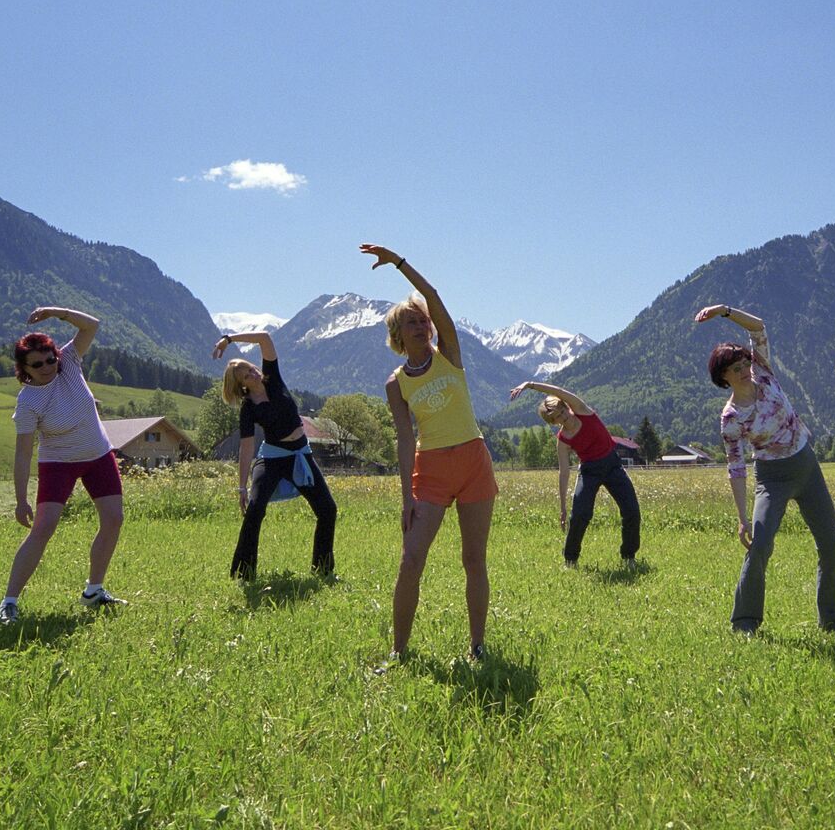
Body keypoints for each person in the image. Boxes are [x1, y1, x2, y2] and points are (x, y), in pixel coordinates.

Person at [361, 244, 497, 664]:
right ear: (398, 335)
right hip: (431, 471)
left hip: (473, 463)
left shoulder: (449, 353)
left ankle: (477, 646)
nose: (422, 325)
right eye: (412, 322)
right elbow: (405, 440)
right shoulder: (396, 384)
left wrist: (399, 263)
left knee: (473, 559)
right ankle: (398, 652)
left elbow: (433, 296)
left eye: (424, 320)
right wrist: (406, 498)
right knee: (410, 560)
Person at [697, 303, 835, 637]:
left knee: (830, 544)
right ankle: (745, 622)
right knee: (761, 545)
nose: (744, 370)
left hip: (807, 466)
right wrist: (742, 518)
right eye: (736, 368)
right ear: (723, 377)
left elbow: (758, 328)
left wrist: (724, 311)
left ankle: (833, 620)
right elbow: (736, 467)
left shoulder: (764, 373)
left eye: (745, 363)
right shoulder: (731, 417)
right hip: (772, 478)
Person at [0, 307, 126, 624]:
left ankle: (94, 591)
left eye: (50, 359)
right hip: (58, 464)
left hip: (98, 456)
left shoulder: (69, 363)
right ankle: (8, 602)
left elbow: (91, 325)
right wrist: (21, 500)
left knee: (113, 519)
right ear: (24, 369)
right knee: (43, 528)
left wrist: (55, 313)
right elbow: (23, 454)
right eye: (37, 364)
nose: (47, 367)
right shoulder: (28, 402)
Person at [215, 331, 337, 581]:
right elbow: (246, 448)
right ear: (242, 386)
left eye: (251, 368)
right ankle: (244, 573)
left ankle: (323, 570)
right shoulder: (249, 408)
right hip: (271, 459)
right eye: (246, 375)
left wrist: (229, 340)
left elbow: (265, 339)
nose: (253, 373)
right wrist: (242, 487)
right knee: (255, 510)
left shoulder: (274, 379)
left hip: (300, 454)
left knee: (328, 509)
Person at [510, 380, 642, 568]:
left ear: (566, 406)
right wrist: (563, 508)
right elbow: (564, 473)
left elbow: (558, 390)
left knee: (631, 511)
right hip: (589, 471)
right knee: (579, 515)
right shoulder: (563, 441)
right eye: (558, 417)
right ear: (554, 423)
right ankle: (570, 560)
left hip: (612, 465)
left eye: (563, 411)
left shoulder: (581, 410)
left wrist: (529, 385)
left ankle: (629, 557)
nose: (564, 417)